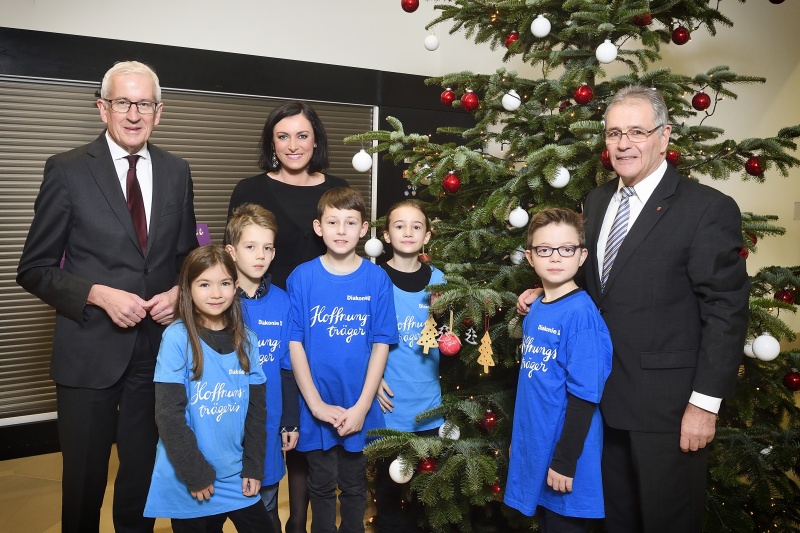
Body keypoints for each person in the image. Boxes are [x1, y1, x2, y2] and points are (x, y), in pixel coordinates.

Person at [517, 86, 750, 533]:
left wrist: (704, 404)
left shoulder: (707, 209)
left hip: (669, 410)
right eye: (614, 133)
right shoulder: (598, 201)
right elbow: (597, 282)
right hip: (602, 401)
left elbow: (726, 310)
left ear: (664, 137)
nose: (623, 144)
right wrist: (544, 290)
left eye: (637, 132)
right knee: (616, 522)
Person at [16, 60, 197, 533]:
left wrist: (181, 292)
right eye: (122, 102)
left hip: (154, 353)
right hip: (88, 352)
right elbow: (32, 270)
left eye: (144, 104)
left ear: (160, 111)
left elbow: (187, 258)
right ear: (103, 108)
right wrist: (97, 294)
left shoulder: (177, 172)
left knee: (140, 476)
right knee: (83, 481)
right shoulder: (68, 170)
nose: (133, 114)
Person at [227, 101, 349, 532]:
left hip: (325, 323)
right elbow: (235, 259)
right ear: (271, 142)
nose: (293, 145)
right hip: (269, 317)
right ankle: (280, 518)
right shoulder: (249, 188)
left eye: (302, 135)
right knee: (276, 414)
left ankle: (302, 521)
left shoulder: (336, 188)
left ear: (316, 140)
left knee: (310, 431)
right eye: (283, 136)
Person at [288, 187, 398, 533]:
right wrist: (317, 406)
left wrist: (364, 405)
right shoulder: (302, 278)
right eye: (332, 222)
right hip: (317, 406)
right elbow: (295, 345)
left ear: (364, 229)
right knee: (319, 486)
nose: (340, 230)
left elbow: (381, 344)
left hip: (358, 406)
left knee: (354, 487)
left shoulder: (376, 279)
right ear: (318, 227)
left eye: (350, 223)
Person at [143, 245, 271, 532]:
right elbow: (168, 416)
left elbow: (257, 412)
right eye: (204, 284)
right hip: (192, 479)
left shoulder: (248, 340)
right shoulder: (176, 338)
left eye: (225, 283)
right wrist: (196, 474)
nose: (216, 294)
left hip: (237, 476)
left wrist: (253, 466)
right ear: (187, 289)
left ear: (236, 286)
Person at [504, 208, 612, 532]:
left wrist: (565, 461)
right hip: (537, 446)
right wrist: (520, 442)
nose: (555, 257)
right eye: (544, 249)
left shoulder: (582, 315)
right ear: (530, 257)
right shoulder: (537, 306)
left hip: (567, 457)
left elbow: (585, 397)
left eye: (566, 249)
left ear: (581, 256)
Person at [224, 203, 299, 533]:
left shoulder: (283, 302)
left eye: (267, 247)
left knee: (265, 508)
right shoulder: (217, 300)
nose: (260, 255)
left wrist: (290, 422)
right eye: (250, 247)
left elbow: (287, 369)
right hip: (224, 428)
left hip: (267, 429)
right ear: (231, 251)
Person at [373, 199, 445, 533]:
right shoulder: (374, 279)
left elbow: (448, 335)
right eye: (399, 225)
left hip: (429, 407)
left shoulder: (440, 279)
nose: (408, 232)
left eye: (417, 226)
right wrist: (370, 381)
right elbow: (359, 339)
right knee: (387, 494)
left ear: (427, 236)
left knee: (424, 497)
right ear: (386, 235)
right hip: (389, 408)